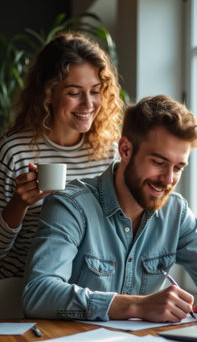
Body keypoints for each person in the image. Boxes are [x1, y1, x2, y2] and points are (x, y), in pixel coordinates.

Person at [22, 95, 197, 323]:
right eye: (159, 163)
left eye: (178, 167)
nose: (168, 179)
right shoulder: (70, 206)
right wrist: (137, 305)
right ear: (126, 149)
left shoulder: (175, 213)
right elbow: (38, 293)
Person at [0, 31, 123, 281]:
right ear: (48, 93)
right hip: (17, 290)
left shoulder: (108, 151)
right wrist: (19, 203)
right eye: (74, 93)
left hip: (82, 293)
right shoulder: (15, 151)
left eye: (96, 91)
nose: (88, 104)